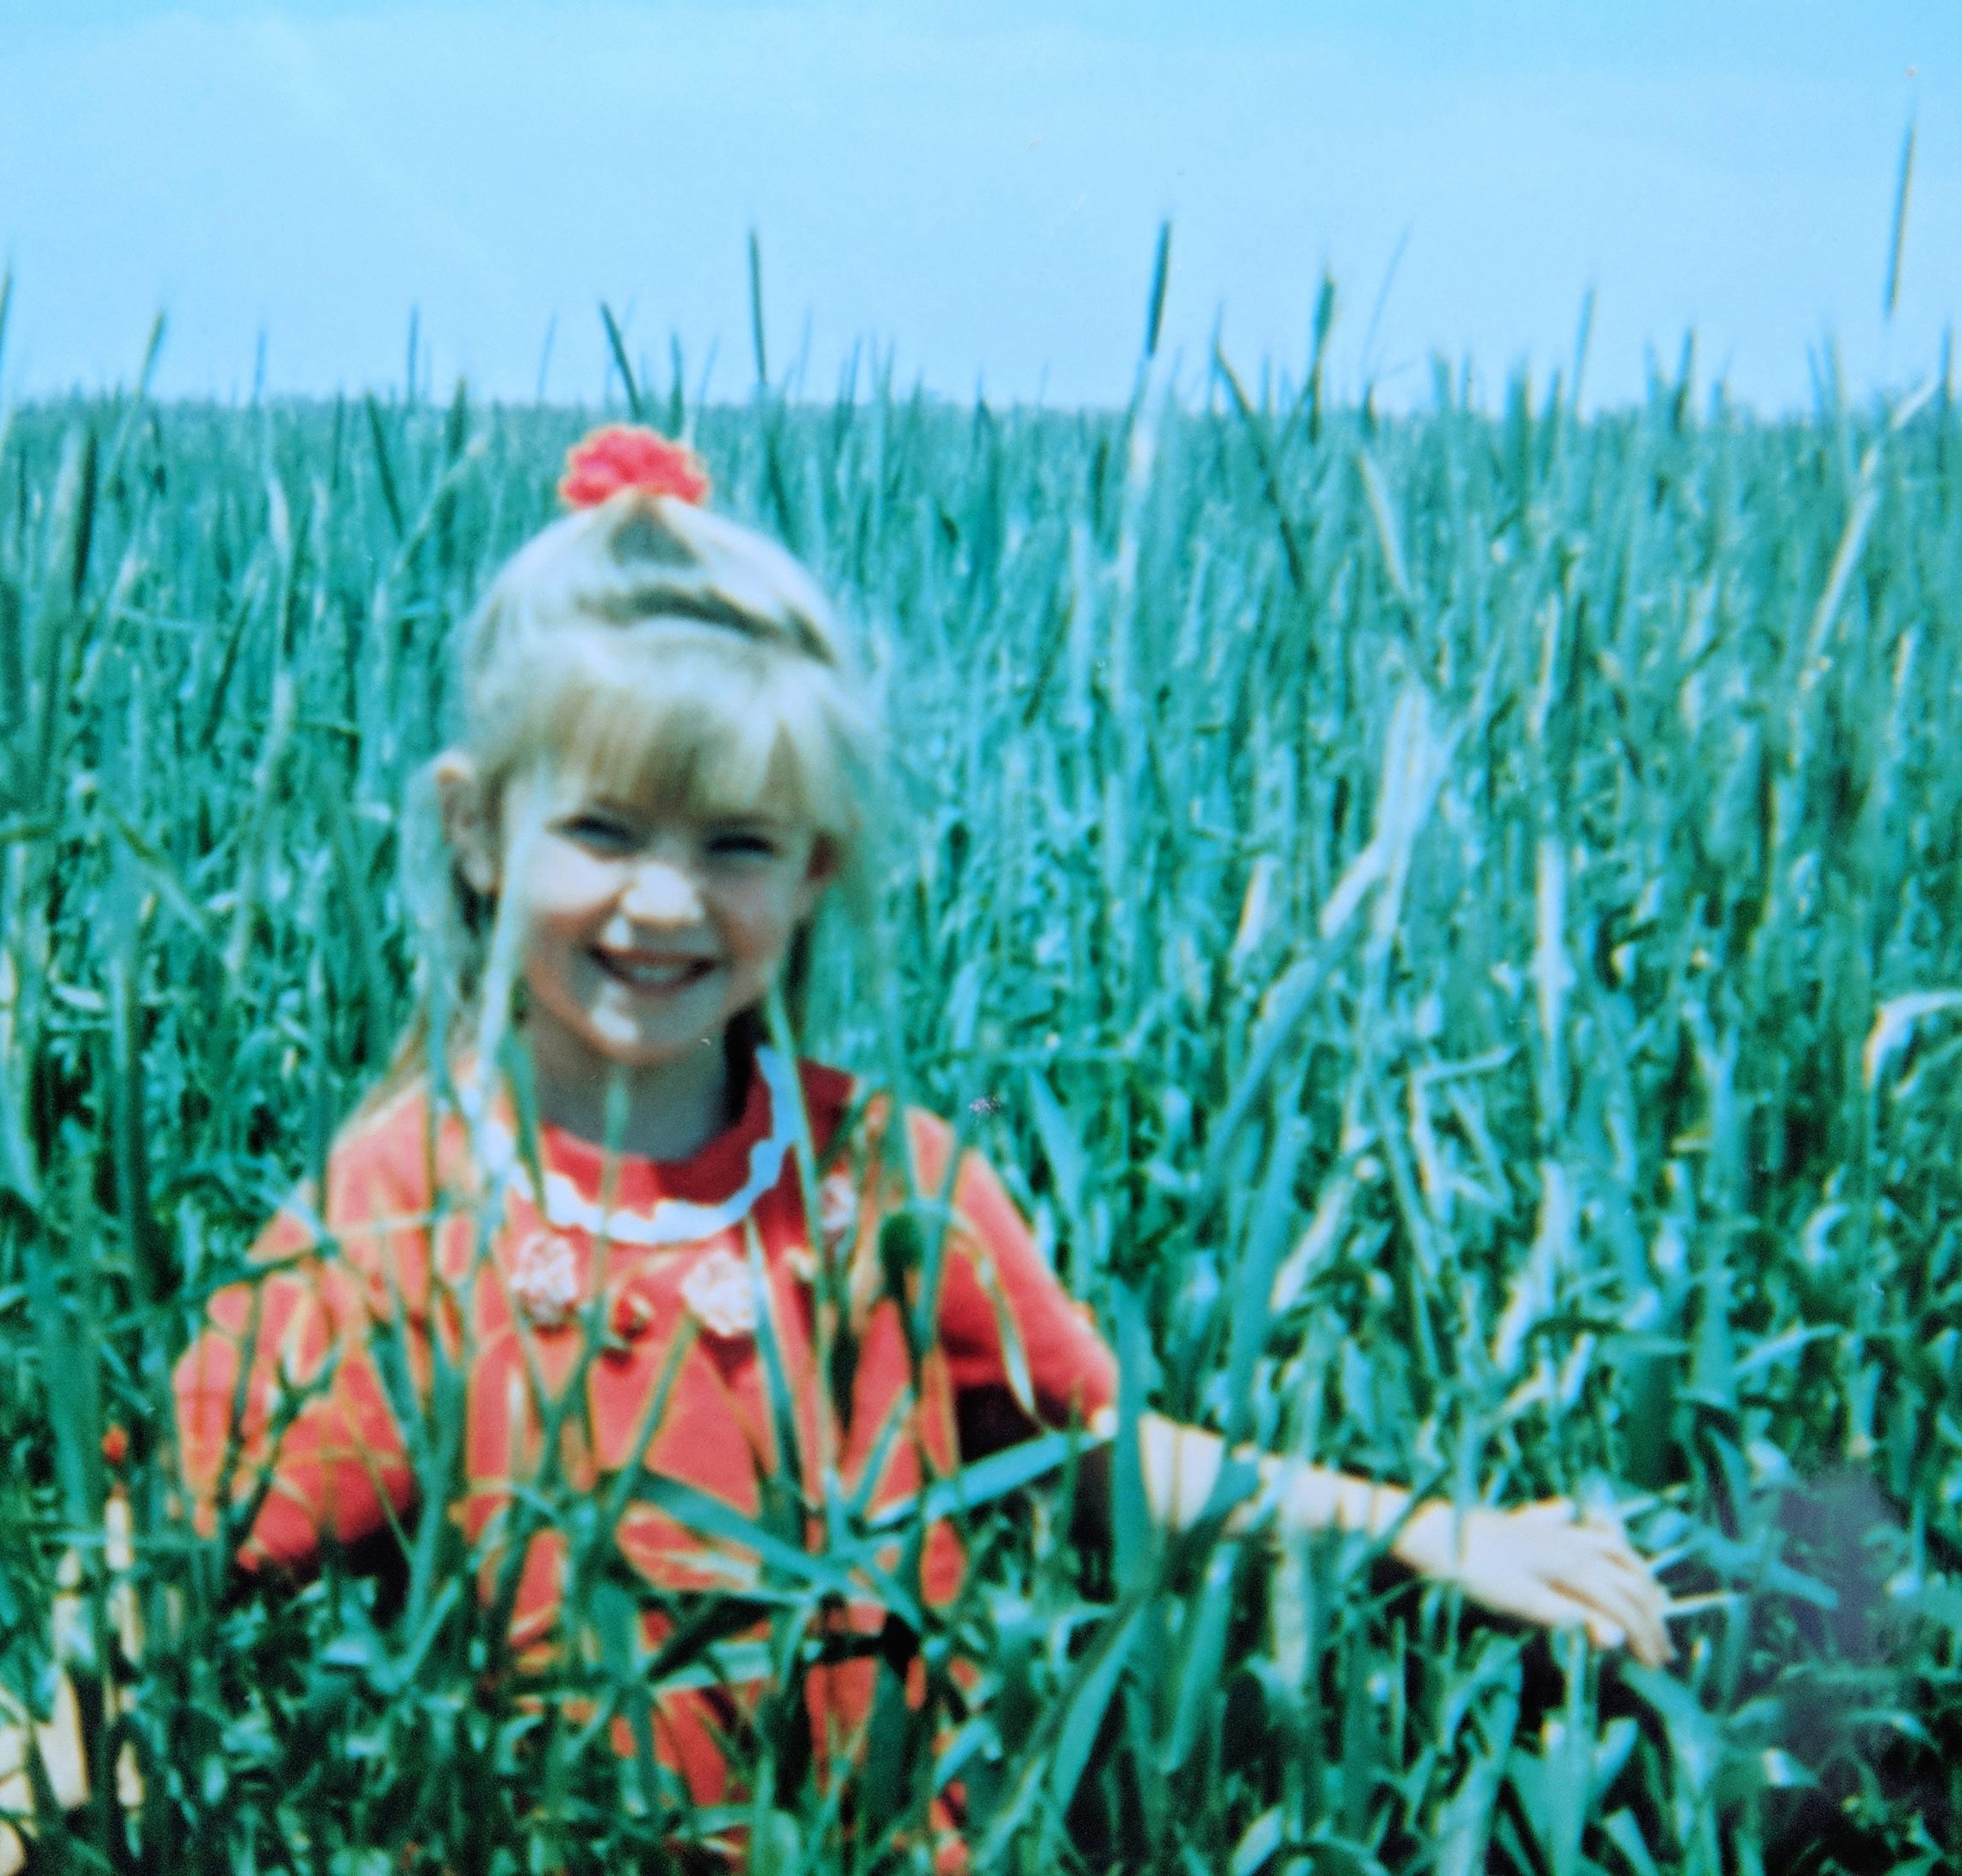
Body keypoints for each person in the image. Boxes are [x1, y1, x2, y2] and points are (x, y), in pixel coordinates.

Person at [165, 424, 1669, 1860]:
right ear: (480, 832)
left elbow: (1101, 1450)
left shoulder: (883, 1180)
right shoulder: (406, 1200)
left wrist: (1428, 1530)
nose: (669, 902)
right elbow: (177, 1555)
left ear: (815, 868)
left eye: (737, 845)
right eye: (606, 832)